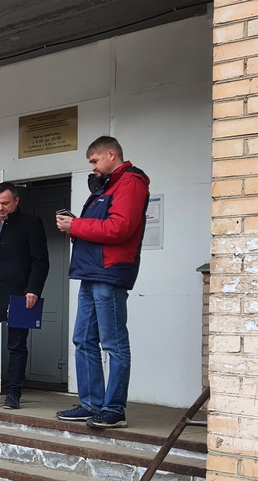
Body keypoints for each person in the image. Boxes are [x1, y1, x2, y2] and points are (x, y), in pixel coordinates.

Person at [55, 136, 150, 429]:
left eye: (95, 161)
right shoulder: (107, 186)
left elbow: (120, 228)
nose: (93, 167)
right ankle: (91, 405)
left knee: (113, 343)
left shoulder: (131, 182)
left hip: (109, 272)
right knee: (83, 340)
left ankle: (114, 409)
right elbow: (101, 227)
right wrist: (74, 229)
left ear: (111, 154)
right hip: (91, 271)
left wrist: (76, 225)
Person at [0, 182, 50, 410]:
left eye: (5, 203)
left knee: (16, 345)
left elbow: (41, 261)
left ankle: (14, 393)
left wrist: (33, 289)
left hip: (20, 294)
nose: (0, 208)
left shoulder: (31, 224)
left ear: (16, 201)